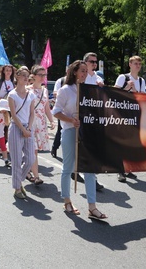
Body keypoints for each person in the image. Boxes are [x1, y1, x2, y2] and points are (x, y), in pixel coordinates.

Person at [52, 60, 107, 219]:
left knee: (89, 169)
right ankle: (67, 200)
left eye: (86, 70)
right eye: (82, 70)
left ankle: (92, 206)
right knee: (68, 167)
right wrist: (71, 120)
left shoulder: (90, 90)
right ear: (74, 72)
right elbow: (56, 111)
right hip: (70, 131)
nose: (84, 73)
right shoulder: (65, 90)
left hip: (86, 133)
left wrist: (101, 92)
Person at [114, 55, 146, 182]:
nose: (138, 65)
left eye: (139, 63)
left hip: (135, 114)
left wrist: (134, 89)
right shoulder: (123, 77)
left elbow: (142, 98)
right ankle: (119, 170)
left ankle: (128, 168)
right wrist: (126, 88)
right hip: (122, 113)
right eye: (135, 63)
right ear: (130, 64)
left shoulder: (141, 81)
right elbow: (114, 94)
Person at [8, 66, 36, 199]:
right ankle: (17, 188)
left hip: (28, 128)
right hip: (16, 127)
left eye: (27, 75)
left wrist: (29, 128)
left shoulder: (31, 94)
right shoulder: (12, 95)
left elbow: (32, 113)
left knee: (31, 159)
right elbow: (13, 115)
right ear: (17, 77)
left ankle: (19, 180)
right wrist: (23, 129)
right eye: (23, 75)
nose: (26, 78)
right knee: (17, 160)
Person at [26, 65, 54, 185]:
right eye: (40, 74)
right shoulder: (27, 90)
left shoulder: (45, 90)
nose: (43, 77)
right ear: (33, 76)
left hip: (41, 123)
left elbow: (46, 107)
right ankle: (36, 176)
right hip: (30, 122)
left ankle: (27, 171)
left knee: (34, 150)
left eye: (45, 75)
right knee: (33, 150)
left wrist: (51, 120)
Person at [83, 52, 105, 189]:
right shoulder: (81, 76)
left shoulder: (98, 78)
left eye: (95, 62)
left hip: (94, 118)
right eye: (91, 61)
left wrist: (101, 89)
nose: (94, 64)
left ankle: (92, 179)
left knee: (92, 149)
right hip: (81, 117)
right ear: (85, 62)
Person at [51, 74, 66, 158]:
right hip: (62, 109)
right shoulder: (61, 80)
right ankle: (55, 147)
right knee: (60, 129)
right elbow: (55, 93)